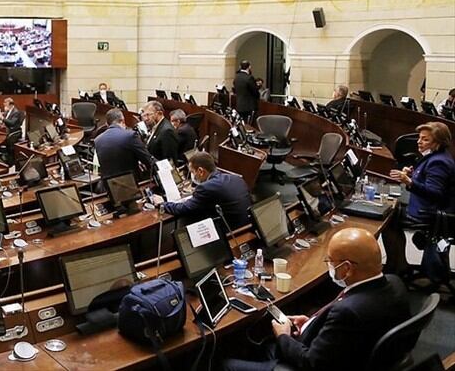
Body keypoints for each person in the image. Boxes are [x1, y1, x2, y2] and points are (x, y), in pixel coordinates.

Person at [223, 228, 410, 371]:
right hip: (349, 352)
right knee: (260, 343)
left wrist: (283, 335)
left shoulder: (349, 313)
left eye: (330, 261)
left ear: (347, 269)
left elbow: (311, 363)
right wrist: (311, 322)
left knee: (227, 363)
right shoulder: (395, 283)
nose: (329, 266)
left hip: (308, 363)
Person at [384, 122, 455, 273]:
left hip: (427, 213)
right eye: (419, 138)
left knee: (388, 218)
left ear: (438, 143)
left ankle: (396, 266)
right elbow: (428, 178)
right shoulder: (436, 156)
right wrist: (412, 175)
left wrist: (409, 181)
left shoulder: (439, 162)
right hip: (427, 208)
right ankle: (399, 264)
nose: (419, 141)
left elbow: (434, 193)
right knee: (392, 212)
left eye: (425, 139)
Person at [163, 152, 251, 229]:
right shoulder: (236, 178)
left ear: (201, 171)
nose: (193, 176)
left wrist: (162, 204)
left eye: (192, 172)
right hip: (247, 226)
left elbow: (184, 209)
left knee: (190, 220)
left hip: (230, 232)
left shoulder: (206, 188)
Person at [94, 108, 155, 179]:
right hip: (131, 184)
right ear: (123, 121)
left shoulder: (97, 140)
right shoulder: (130, 135)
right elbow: (148, 160)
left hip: (110, 186)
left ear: (107, 124)